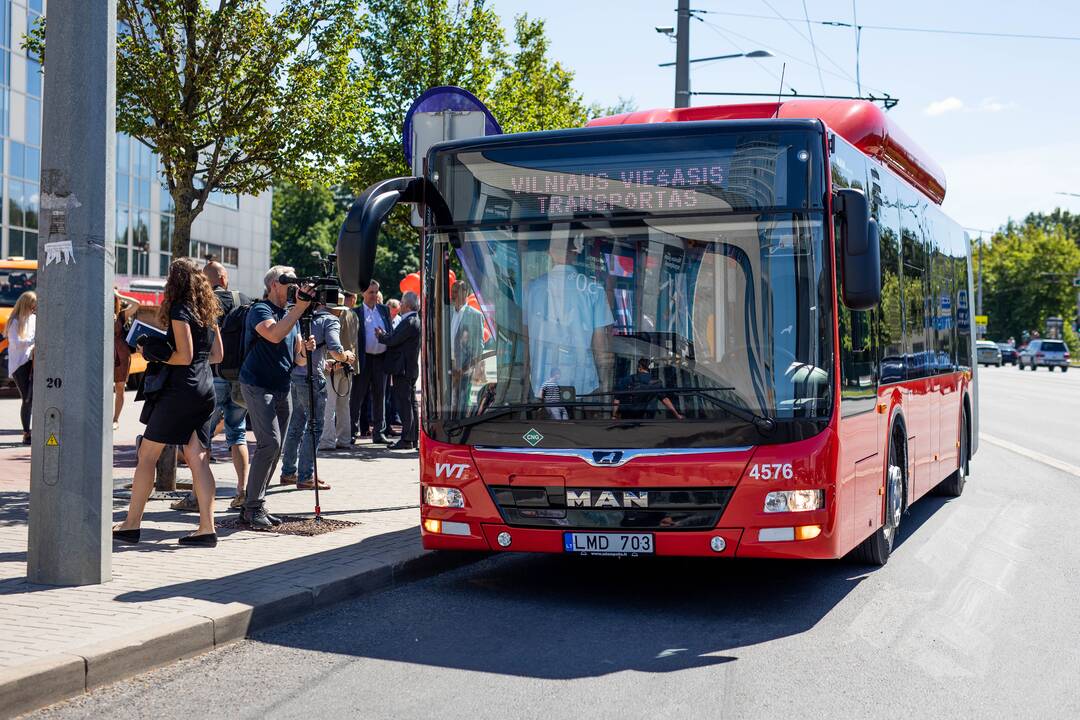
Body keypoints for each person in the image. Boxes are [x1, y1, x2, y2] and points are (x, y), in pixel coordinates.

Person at [113, 258, 224, 546]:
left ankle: (131, 524)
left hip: (180, 391)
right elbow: (217, 355)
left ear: (174, 281)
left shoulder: (180, 308)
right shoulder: (207, 310)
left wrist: (155, 351)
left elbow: (183, 356)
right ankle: (206, 528)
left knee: (147, 455)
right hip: (204, 388)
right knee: (198, 458)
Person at [238, 266, 316, 529]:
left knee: (276, 449)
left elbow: (298, 359)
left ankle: (255, 503)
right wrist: (299, 310)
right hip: (258, 385)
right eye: (288, 282)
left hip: (282, 387)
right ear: (274, 284)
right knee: (269, 444)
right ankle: (252, 506)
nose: (293, 287)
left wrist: (306, 349)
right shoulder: (261, 310)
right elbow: (273, 334)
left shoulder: (288, 316)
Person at [171, 261, 250, 513]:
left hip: (212, 377)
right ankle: (243, 491)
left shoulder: (202, 304)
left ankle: (196, 496)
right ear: (225, 278)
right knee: (237, 434)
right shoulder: (243, 300)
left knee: (200, 439)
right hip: (239, 377)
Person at [523, 241, 614, 401]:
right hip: (582, 381)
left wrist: (525, 374)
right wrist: (605, 383)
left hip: (542, 382)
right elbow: (600, 342)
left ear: (549, 252)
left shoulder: (531, 289)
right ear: (576, 252)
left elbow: (526, 336)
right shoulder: (593, 288)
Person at [280, 298, 352, 489]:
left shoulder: (304, 317)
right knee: (315, 426)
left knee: (297, 423)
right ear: (335, 309)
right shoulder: (330, 320)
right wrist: (347, 357)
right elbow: (336, 350)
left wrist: (323, 362)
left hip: (296, 374)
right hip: (311, 379)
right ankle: (305, 476)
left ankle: (289, 472)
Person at [377, 291, 421, 450]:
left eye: (402, 303)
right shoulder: (413, 320)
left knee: (405, 404)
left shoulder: (409, 321)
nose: (400, 305)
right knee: (410, 404)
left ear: (407, 305)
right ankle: (412, 437)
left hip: (403, 369)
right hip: (408, 368)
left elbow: (394, 340)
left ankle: (407, 438)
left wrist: (381, 336)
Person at [349, 280, 392, 444]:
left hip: (381, 360)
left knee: (380, 397)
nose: (374, 295)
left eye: (376, 292)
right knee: (357, 397)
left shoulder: (384, 310)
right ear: (363, 294)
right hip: (363, 360)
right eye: (370, 292)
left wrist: (384, 335)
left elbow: (391, 334)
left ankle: (379, 433)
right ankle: (352, 432)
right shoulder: (356, 313)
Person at [320, 292, 359, 451]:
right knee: (344, 406)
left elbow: (332, 343)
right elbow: (355, 341)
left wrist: (330, 362)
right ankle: (344, 439)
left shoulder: (331, 317)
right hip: (349, 364)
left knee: (328, 406)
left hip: (333, 365)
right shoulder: (353, 315)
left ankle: (327, 440)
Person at [450, 281, 484, 415]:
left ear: (465, 293)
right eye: (452, 291)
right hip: (447, 362)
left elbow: (479, 343)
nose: (452, 294)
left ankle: (460, 426)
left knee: (462, 399)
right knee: (448, 399)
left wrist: (476, 366)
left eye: (455, 291)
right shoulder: (445, 312)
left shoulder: (476, 315)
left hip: (465, 365)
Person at [6, 291, 36, 444]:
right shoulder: (14, 321)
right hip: (19, 364)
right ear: (25, 305)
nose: (34, 309)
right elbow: (16, 343)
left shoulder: (34, 318)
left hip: (33, 360)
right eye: (32, 306)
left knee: (35, 396)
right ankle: (26, 432)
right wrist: (34, 340)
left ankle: (34, 429)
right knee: (27, 398)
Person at [612, 358, 683, 420]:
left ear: (639, 367)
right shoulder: (656, 383)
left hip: (627, 417)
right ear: (649, 368)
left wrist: (614, 416)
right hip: (647, 419)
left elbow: (617, 399)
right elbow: (665, 400)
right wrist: (676, 415)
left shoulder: (626, 379)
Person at [113, 290, 140, 430]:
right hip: (103, 356)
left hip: (121, 355)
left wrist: (119, 295)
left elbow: (137, 304)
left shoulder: (120, 315)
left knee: (120, 388)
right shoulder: (96, 313)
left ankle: (115, 419)